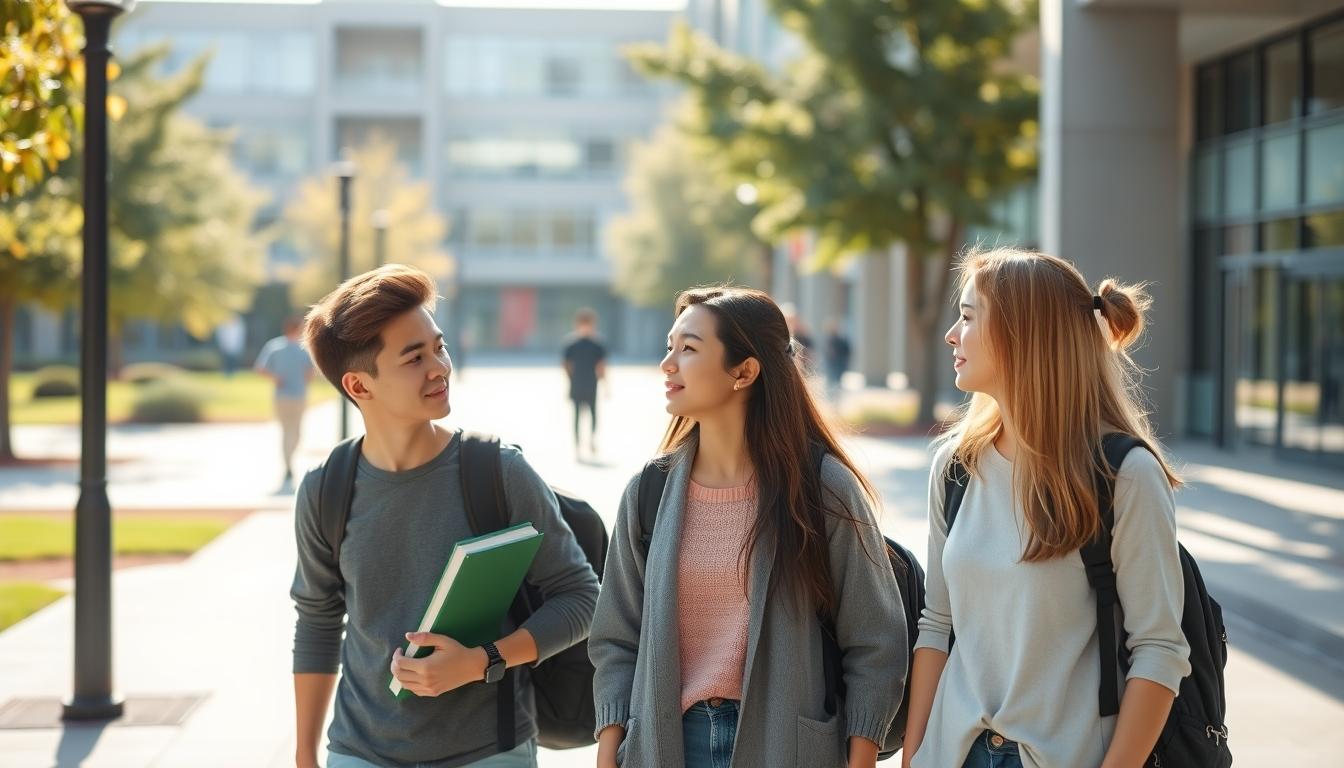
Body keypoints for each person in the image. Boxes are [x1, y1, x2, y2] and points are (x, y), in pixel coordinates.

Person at [291, 265, 600, 768]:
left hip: (490, 750)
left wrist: (483, 662)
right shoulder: (326, 488)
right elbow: (318, 622)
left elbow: (583, 596)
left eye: (439, 346)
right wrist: (306, 754)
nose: (440, 367)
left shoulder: (499, 472)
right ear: (359, 386)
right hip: (358, 749)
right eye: (415, 358)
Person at [589, 286, 907, 768]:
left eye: (689, 348)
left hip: (786, 747)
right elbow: (616, 638)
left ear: (744, 371)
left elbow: (875, 642)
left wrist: (859, 761)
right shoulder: (648, 493)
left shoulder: (822, 488)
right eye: (669, 346)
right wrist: (610, 752)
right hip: (667, 745)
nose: (667, 363)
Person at [902, 248, 1191, 768]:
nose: (952, 334)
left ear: (1022, 333)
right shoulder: (955, 467)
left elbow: (1159, 649)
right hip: (952, 754)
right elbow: (936, 624)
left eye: (968, 317)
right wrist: (914, 756)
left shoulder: (1123, 473)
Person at [254, 315, 313, 489]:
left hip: (286, 396)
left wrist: (276, 378)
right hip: (294, 396)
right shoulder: (295, 348)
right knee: (292, 432)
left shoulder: (280, 347)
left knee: (290, 432)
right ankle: (288, 466)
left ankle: (288, 462)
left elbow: (261, 368)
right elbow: (310, 372)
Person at [562, 307, 608, 459]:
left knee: (594, 415)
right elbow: (566, 364)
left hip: (592, 385)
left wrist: (605, 385)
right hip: (576, 385)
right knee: (576, 416)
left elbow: (602, 366)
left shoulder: (598, 344)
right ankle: (577, 446)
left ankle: (591, 440)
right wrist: (570, 380)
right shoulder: (571, 344)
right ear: (578, 324)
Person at [823, 320, 852, 402]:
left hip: (838, 366)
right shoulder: (828, 340)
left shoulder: (842, 341)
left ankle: (835, 401)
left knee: (837, 384)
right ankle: (831, 400)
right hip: (831, 366)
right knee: (830, 384)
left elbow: (847, 352)